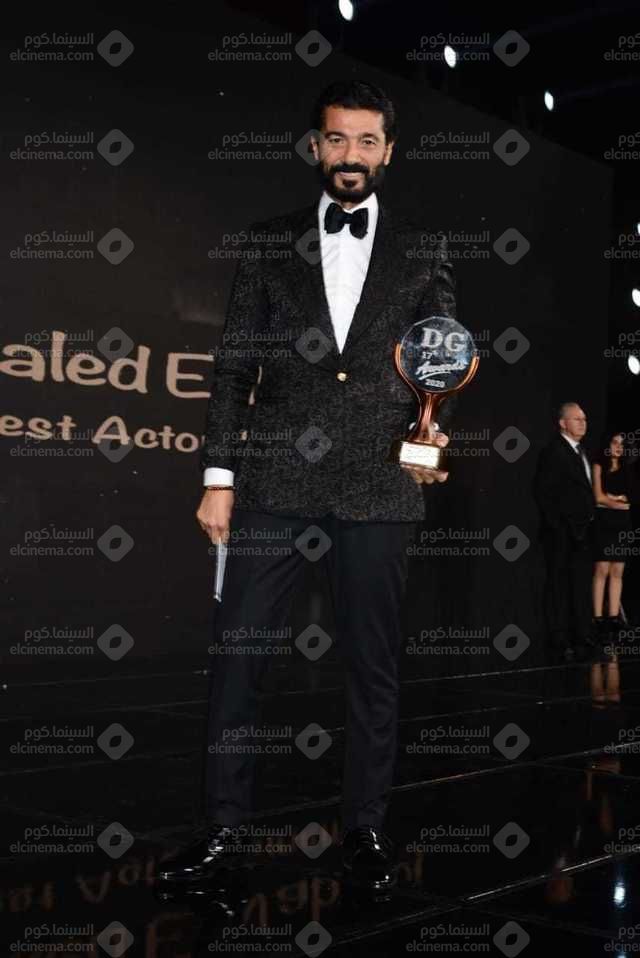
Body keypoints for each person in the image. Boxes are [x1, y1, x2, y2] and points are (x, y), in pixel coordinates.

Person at [158, 80, 458, 894]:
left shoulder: (426, 247)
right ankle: (221, 829)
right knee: (239, 662)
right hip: (274, 482)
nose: (350, 155)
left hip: (381, 483)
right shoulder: (267, 243)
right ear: (316, 146)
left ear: (388, 151)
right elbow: (233, 370)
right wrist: (219, 478)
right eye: (337, 139)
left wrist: (432, 430)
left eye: (366, 141)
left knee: (372, 669)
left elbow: (438, 360)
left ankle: (365, 830)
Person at [534, 402, 596, 663]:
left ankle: (582, 636)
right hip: (561, 534)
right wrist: (560, 527)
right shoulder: (554, 452)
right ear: (562, 423)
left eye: (585, 419)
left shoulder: (581, 451)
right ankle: (559, 639)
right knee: (559, 586)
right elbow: (544, 493)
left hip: (582, 533)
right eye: (577, 419)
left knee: (579, 585)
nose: (583, 423)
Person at [591, 431, 632, 650]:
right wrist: (617, 502)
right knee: (602, 570)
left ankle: (614, 618)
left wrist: (613, 500)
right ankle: (598, 620)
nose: (618, 447)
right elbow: (598, 497)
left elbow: (630, 498)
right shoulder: (599, 466)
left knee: (617, 571)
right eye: (615, 442)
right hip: (604, 523)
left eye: (622, 444)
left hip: (622, 524)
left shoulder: (626, 470)